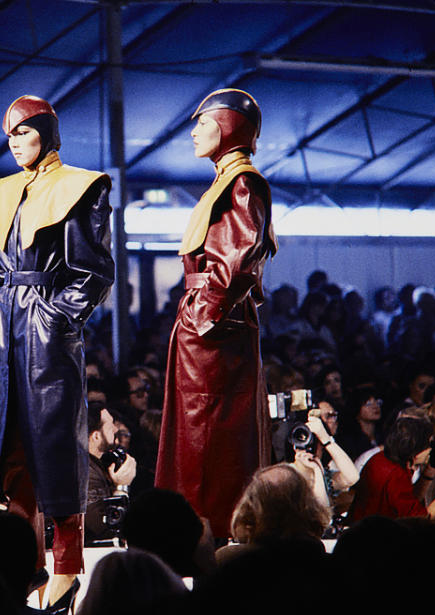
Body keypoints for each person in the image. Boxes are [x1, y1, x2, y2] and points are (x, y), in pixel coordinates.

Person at [0, 95, 114, 607]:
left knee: (55, 450)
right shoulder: (0, 193)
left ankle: (67, 568)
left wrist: (56, 319)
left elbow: (95, 270)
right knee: (10, 448)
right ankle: (24, 563)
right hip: (5, 323)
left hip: (45, 324)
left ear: (48, 133)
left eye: (25, 132)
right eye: (9, 134)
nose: (15, 141)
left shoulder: (80, 187)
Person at [155, 88, 277, 538]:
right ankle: (202, 537)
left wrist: (203, 317)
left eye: (203, 122)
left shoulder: (241, 182)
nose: (193, 132)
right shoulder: (228, 181)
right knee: (198, 437)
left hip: (213, 327)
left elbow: (239, 258)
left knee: (207, 440)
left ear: (227, 126)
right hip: (209, 322)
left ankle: (207, 539)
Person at [348, 415, 435, 523]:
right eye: (429, 444)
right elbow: (421, 521)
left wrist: (428, 475)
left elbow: (407, 505)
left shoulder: (384, 459)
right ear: (416, 448)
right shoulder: (395, 473)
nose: (431, 450)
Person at [86, 404, 137, 544]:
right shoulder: (85, 472)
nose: (116, 429)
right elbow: (103, 527)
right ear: (96, 436)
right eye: (110, 426)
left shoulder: (99, 465)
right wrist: (121, 487)